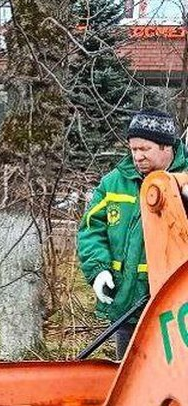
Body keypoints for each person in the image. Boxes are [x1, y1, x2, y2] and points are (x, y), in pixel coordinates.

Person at [78, 109, 187, 359]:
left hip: (177, 312)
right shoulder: (114, 182)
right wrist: (98, 271)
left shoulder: (184, 181)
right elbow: (91, 229)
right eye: (133, 149)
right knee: (128, 374)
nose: (137, 156)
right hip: (128, 303)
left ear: (165, 146)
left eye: (144, 149)